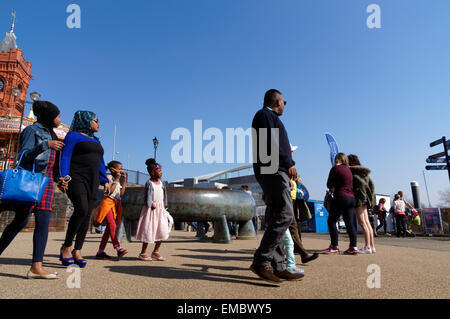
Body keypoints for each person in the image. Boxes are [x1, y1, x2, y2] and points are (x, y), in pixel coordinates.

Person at [0, 101, 67, 279]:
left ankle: (36, 267)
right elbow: (25, 156)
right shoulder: (32, 130)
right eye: (57, 115)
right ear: (48, 116)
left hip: (45, 184)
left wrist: (59, 180)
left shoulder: (51, 133)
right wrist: (46, 145)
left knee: (43, 222)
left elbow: (51, 165)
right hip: (31, 182)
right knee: (20, 222)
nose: (59, 119)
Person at [250, 89, 304, 283]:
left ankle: (278, 266)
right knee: (286, 213)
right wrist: (288, 162)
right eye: (284, 102)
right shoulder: (264, 115)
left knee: (276, 215)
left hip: (273, 169)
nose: (284, 105)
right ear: (278, 101)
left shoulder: (267, 116)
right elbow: (272, 143)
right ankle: (261, 261)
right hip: (272, 169)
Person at [59, 111, 110, 268]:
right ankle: (66, 247)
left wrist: (105, 179)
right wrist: (64, 177)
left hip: (93, 180)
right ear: (86, 121)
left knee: (87, 213)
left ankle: (77, 250)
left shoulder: (96, 140)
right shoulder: (73, 136)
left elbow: (101, 162)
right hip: (76, 177)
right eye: (96, 120)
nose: (98, 123)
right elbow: (65, 156)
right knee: (81, 209)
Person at [288, 145, 319, 264]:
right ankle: (302, 253)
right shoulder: (286, 163)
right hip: (288, 197)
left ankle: (301, 253)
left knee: (289, 226)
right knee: (289, 225)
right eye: (292, 151)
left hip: (292, 197)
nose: (292, 153)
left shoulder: (289, 163)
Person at [324, 153, 359, 255]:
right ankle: (353, 246)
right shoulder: (349, 170)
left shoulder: (335, 168)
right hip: (351, 198)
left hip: (341, 196)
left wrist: (334, 186)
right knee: (350, 223)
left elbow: (329, 184)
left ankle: (334, 246)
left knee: (331, 221)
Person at [136, 159, 170, 261]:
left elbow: (164, 195)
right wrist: (150, 204)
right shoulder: (149, 183)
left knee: (162, 230)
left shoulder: (161, 183)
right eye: (159, 171)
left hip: (160, 209)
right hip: (151, 210)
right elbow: (147, 196)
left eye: (161, 171)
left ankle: (156, 252)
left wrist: (165, 205)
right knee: (148, 230)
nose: (161, 172)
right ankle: (143, 253)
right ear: (152, 172)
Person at [94, 160, 128, 260]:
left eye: (122, 169)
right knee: (112, 224)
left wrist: (124, 180)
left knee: (109, 229)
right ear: (113, 170)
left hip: (115, 204)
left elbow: (120, 193)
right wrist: (116, 180)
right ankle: (118, 248)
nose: (121, 171)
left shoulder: (117, 180)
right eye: (119, 169)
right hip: (108, 203)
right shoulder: (108, 178)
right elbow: (109, 192)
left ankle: (100, 252)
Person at [348, 154, 376, 254]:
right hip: (365, 199)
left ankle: (367, 246)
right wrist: (369, 198)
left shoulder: (352, 173)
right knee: (367, 223)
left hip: (358, 199)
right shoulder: (365, 173)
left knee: (362, 223)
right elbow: (372, 185)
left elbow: (358, 185)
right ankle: (372, 246)